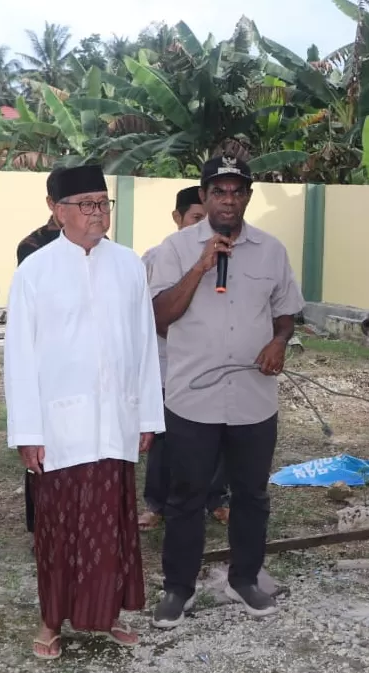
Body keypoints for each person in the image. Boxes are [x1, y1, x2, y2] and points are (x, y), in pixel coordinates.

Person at [4, 164, 164, 657]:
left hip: (115, 419)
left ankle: (107, 613)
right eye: (86, 204)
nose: (98, 213)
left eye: (103, 203)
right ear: (56, 210)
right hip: (59, 426)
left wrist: (147, 416)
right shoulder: (35, 271)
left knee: (110, 524)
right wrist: (28, 431)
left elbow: (144, 346)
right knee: (59, 529)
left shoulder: (128, 265)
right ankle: (52, 621)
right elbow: (19, 357)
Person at [148, 156, 305, 628]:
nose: (229, 200)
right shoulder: (174, 250)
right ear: (204, 197)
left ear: (247, 198)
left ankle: (245, 579)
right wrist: (201, 266)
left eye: (238, 192)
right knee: (186, 496)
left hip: (254, 398)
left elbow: (285, 311)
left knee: (252, 495)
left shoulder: (272, 251)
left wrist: (279, 342)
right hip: (191, 400)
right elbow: (159, 317)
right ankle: (178, 588)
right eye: (220, 191)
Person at [138, 185, 231, 531]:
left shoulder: (228, 254)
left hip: (215, 364)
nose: (201, 225)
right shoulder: (155, 258)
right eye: (194, 218)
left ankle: (217, 498)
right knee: (166, 437)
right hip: (169, 364)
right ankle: (156, 504)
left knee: (219, 431)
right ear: (177, 218)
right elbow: (152, 315)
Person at [15, 165, 66, 534]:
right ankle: (41, 526)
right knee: (42, 451)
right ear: (53, 203)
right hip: (47, 357)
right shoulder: (32, 247)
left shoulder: (105, 249)